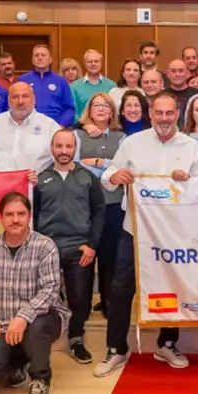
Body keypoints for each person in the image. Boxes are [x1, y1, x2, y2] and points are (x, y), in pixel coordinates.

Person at [98, 92, 198, 377]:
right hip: (134, 229)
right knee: (121, 289)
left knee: (171, 286)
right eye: (159, 113)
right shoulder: (132, 143)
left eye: (169, 113)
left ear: (178, 114)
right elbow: (108, 174)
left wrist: (187, 183)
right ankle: (116, 348)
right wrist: (115, 177)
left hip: (173, 233)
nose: (164, 119)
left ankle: (167, 344)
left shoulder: (192, 147)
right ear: (151, 114)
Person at [0, 192, 67, 394]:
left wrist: (23, 317)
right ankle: (20, 361)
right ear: (1, 218)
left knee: (36, 327)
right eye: (9, 214)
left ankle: (40, 378)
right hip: (2, 325)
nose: (15, 220)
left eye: (21, 214)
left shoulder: (45, 246)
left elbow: (50, 289)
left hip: (42, 319)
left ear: (29, 216)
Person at [33, 130, 105, 366]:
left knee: (80, 298)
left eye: (68, 147)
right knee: (46, 297)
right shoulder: (40, 179)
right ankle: (41, 340)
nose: (64, 151)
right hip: (47, 249)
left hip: (79, 248)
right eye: (59, 146)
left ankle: (76, 339)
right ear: (52, 148)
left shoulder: (88, 178)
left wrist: (92, 246)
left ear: (75, 149)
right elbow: (33, 216)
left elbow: (99, 213)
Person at [75, 93, 127, 317]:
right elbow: (74, 164)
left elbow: (122, 166)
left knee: (110, 257)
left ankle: (108, 304)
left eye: (106, 105)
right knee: (84, 257)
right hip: (84, 205)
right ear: (90, 109)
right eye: (96, 105)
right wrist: (107, 169)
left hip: (113, 204)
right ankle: (81, 308)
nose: (101, 109)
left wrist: (96, 162)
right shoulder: (78, 135)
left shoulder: (121, 138)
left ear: (112, 111)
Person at [0, 81, 58, 172]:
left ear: (34, 99)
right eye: (15, 97)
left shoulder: (50, 127)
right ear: (8, 100)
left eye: (25, 96)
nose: (20, 102)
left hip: (37, 180)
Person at [17, 44, 75, 127]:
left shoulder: (60, 81)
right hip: (28, 126)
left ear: (50, 60)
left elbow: (69, 109)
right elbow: (14, 104)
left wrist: (61, 125)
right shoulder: (23, 80)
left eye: (43, 55)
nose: (40, 58)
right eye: (36, 55)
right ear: (32, 60)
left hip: (55, 126)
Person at [69, 49, 115, 119]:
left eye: (96, 61)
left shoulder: (111, 86)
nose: (93, 64)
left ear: (101, 63)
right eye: (90, 61)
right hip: (82, 125)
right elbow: (73, 112)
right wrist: (83, 124)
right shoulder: (74, 87)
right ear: (85, 64)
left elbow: (114, 111)